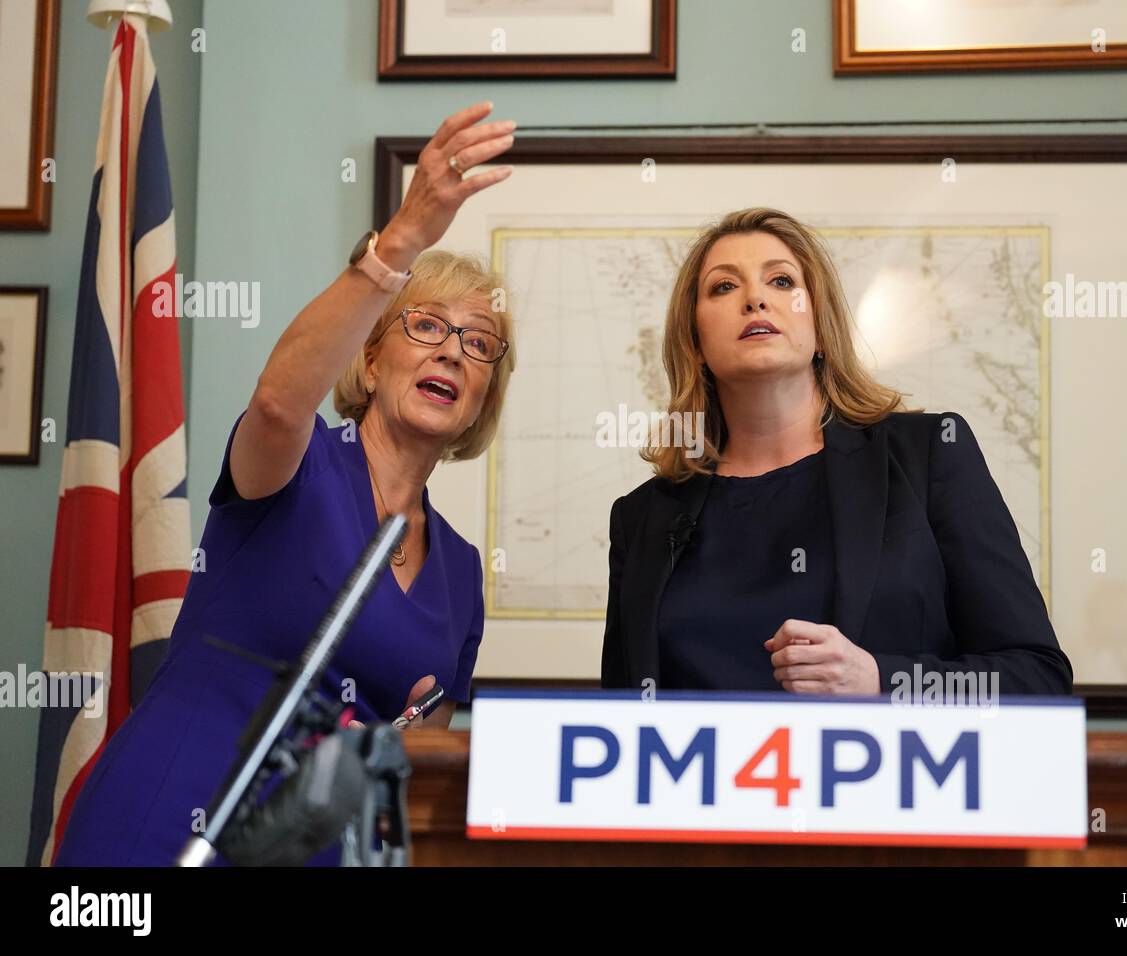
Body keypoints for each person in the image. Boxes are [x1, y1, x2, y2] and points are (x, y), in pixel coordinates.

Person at [54, 102, 518, 866]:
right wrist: (400, 240)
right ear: (370, 363)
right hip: (169, 816)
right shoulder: (297, 462)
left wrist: (396, 745)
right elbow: (275, 401)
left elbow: (419, 753)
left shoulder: (463, 574)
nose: (453, 353)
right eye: (425, 327)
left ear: (483, 398)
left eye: (478, 343)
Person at [601, 207, 1072, 699]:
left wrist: (881, 680)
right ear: (694, 342)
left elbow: (1037, 678)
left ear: (822, 329)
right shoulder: (643, 518)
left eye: (782, 282)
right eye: (724, 287)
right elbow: (619, 712)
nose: (756, 299)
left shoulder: (929, 456)